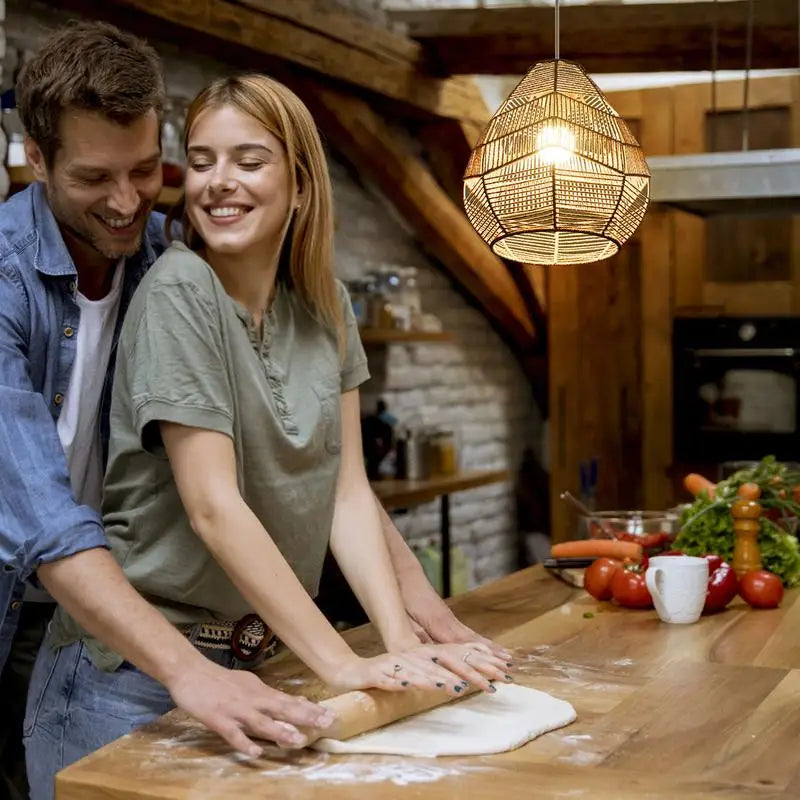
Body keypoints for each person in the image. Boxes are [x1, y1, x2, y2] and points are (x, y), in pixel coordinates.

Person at [23, 72, 512, 797]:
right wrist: (341, 664)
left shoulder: (326, 305)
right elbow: (212, 508)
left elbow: (346, 492)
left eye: (249, 161)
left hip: (256, 667)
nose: (219, 183)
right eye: (204, 159)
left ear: (302, 184)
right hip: (127, 680)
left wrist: (402, 642)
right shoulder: (180, 291)